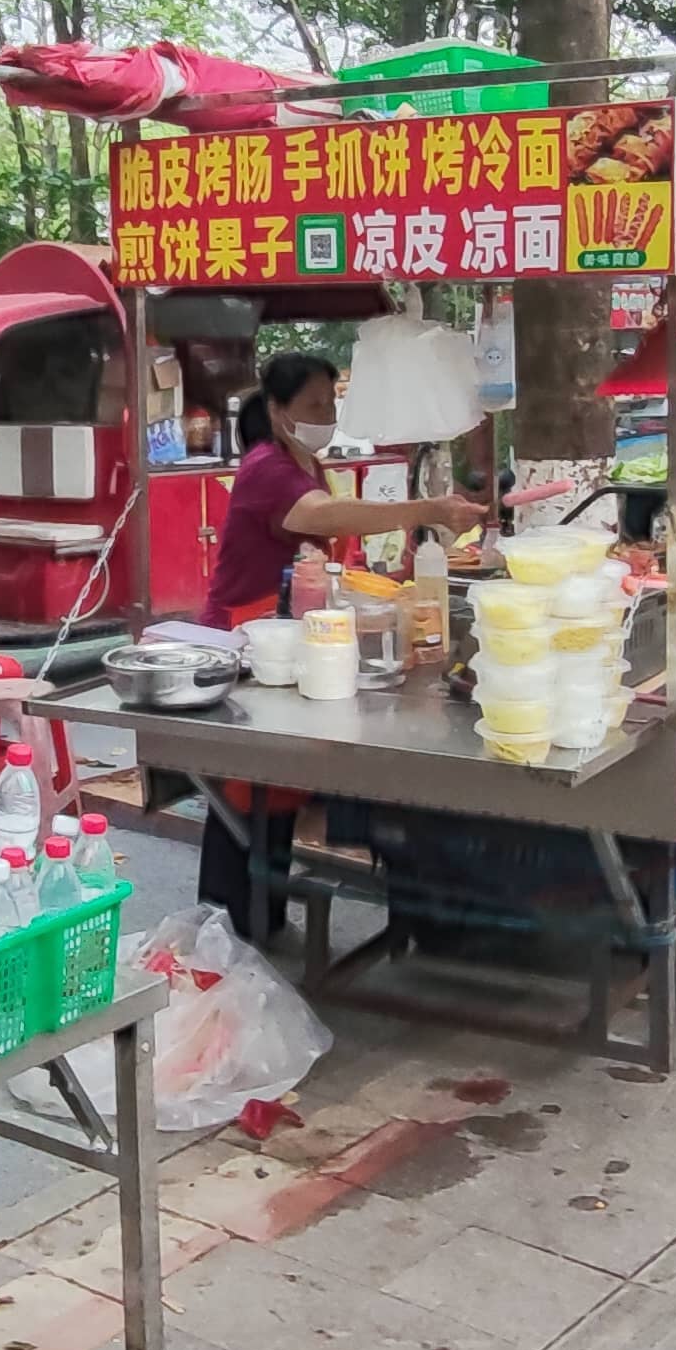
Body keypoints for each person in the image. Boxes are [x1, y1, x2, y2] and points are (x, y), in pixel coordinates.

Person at [197, 350, 488, 929]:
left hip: (292, 635)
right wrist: (427, 508)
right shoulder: (265, 468)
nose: (326, 416)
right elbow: (325, 516)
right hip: (247, 643)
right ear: (277, 410)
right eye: (313, 406)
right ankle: (225, 923)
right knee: (248, 786)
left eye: (331, 404)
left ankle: (260, 919)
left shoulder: (306, 463)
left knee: (277, 784)